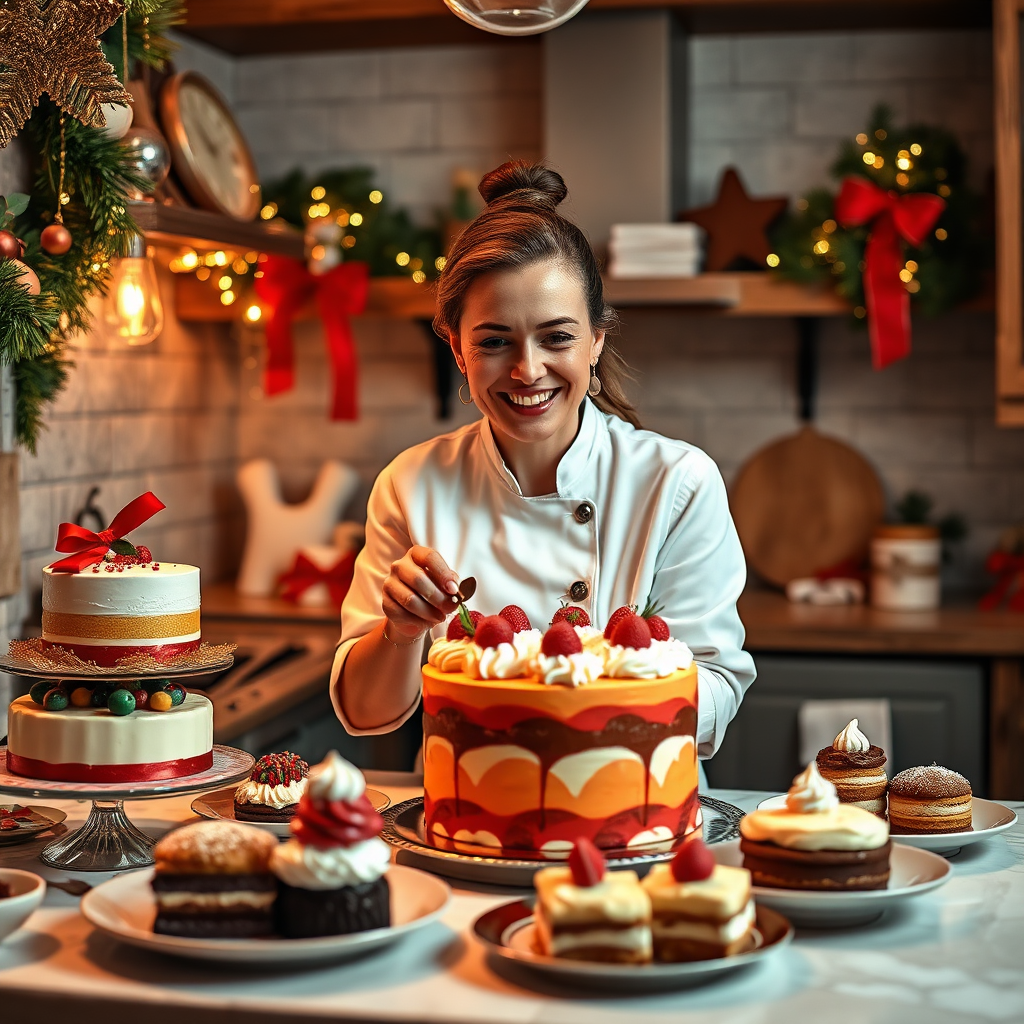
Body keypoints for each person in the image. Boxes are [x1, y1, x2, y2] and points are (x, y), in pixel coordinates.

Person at [331, 160, 755, 760]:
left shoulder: (677, 482)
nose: (528, 371)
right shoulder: (411, 483)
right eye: (495, 340)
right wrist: (401, 635)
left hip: (631, 818)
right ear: (457, 347)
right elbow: (366, 713)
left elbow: (718, 685)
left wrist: (588, 703)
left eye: (557, 337)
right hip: (466, 823)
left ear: (596, 339)